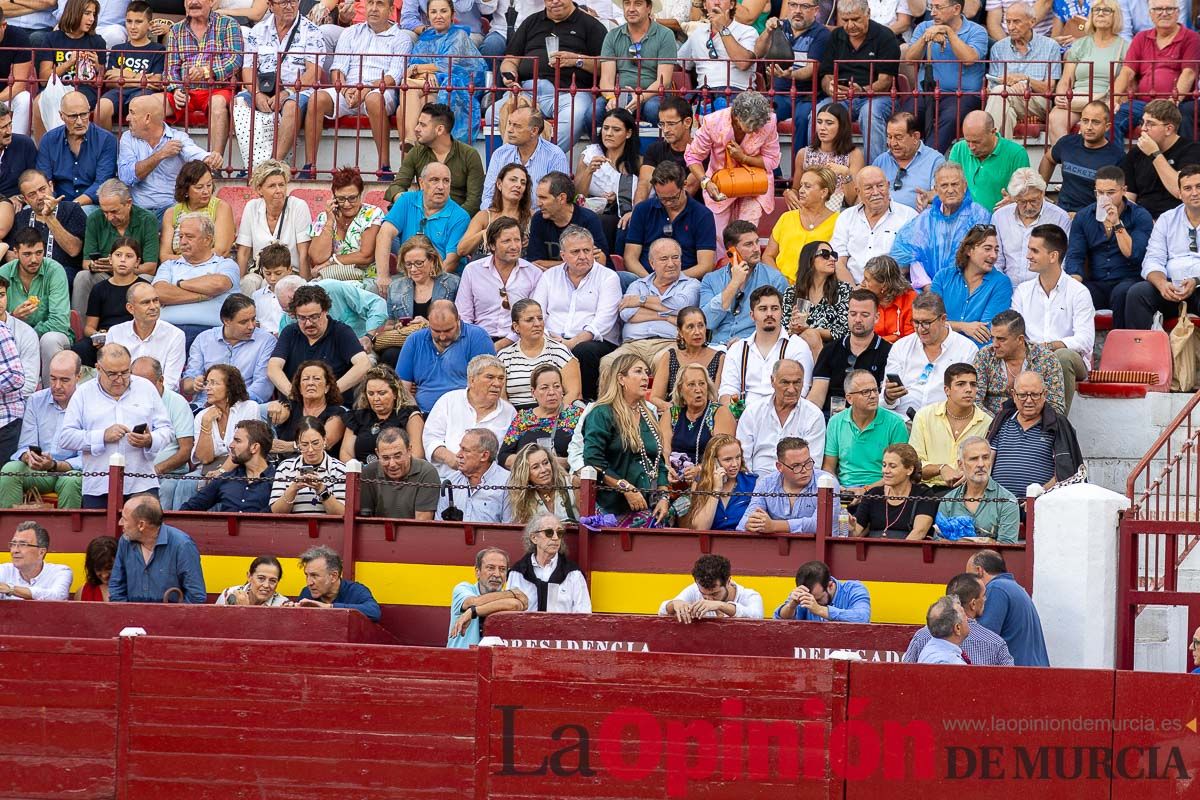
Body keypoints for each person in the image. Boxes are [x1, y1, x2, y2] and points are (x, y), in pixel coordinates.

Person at [300, 0, 408, 178]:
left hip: (380, 90)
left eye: (379, 4)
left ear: (390, 10)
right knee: (317, 98)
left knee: (374, 99)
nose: (373, 8)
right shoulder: (351, 32)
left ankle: (385, 167)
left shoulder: (401, 37)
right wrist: (344, 90)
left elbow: (394, 76)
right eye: (370, 3)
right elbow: (338, 68)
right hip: (348, 89)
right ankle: (308, 166)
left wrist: (364, 90)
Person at [58, 343, 172, 507]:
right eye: (112, 374)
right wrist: (102, 436)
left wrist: (150, 439)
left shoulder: (146, 388)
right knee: (100, 533)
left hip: (141, 484)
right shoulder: (83, 393)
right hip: (99, 486)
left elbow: (167, 430)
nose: (119, 379)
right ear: (98, 368)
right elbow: (66, 438)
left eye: (125, 373)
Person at [491, 0, 606, 152]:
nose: (555, 2)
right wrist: (509, 75)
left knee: (575, 116)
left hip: (569, 93)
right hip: (527, 91)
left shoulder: (591, 25)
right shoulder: (532, 21)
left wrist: (577, 60)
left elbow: (605, 65)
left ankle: (543, 159)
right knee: (494, 112)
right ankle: (518, 162)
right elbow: (510, 59)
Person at [529, 226, 622, 400]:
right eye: (576, 252)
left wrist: (572, 342)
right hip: (553, 338)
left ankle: (584, 402)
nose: (583, 256)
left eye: (587, 250)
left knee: (584, 351)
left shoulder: (608, 277)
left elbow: (604, 320)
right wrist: (549, 337)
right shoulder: (549, 276)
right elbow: (537, 313)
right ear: (563, 255)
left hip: (595, 341)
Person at [1014, 224, 1095, 413]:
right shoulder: (1022, 291)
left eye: (1034, 251)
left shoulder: (1078, 292)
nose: (1028, 256)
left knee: (1062, 357)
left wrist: (1050, 346)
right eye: (1029, 249)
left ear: (1053, 256)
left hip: (1071, 360)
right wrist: (1037, 351)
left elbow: (1085, 340)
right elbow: (1015, 333)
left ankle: (1056, 425)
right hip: (1030, 357)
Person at [583, 352, 670, 521]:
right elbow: (593, 461)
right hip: (612, 507)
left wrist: (664, 498)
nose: (645, 377)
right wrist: (625, 487)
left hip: (649, 505)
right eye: (638, 371)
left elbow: (659, 463)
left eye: (646, 372)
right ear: (621, 379)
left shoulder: (649, 414)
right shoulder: (602, 413)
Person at [236, 0, 324, 164]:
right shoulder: (258, 31)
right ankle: (253, 163)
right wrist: (257, 94)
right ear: (270, 5)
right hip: (263, 89)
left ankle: (273, 164)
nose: (289, 6)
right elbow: (247, 68)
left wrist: (287, 92)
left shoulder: (311, 31)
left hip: (298, 90)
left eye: (293, 1)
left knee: (291, 104)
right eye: (283, 2)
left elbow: (314, 72)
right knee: (239, 102)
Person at [1065, 166, 1153, 329]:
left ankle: (1121, 346)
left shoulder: (1140, 216)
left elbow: (1134, 254)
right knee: (1074, 293)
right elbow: (1075, 255)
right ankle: (1078, 349)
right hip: (1098, 281)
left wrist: (1117, 223)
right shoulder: (1084, 217)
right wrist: (1074, 282)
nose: (1104, 198)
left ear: (1124, 190)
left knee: (1123, 293)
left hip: (1128, 279)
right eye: (1100, 193)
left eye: (1111, 193)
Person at [686, 90, 781, 238]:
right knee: (718, 236)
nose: (758, 130)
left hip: (754, 185)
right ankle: (722, 262)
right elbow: (693, 157)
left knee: (745, 235)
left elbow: (772, 160)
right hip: (720, 184)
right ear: (737, 118)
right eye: (753, 127)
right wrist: (706, 182)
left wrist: (744, 158)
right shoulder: (713, 122)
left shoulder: (769, 121)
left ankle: (743, 262)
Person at [816, 0, 900, 163]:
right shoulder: (836, 36)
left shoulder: (885, 36)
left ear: (867, 13)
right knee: (819, 111)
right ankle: (819, 168)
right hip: (843, 98)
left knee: (870, 113)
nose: (850, 25)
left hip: (876, 97)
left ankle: (875, 170)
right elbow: (825, 74)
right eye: (845, 20)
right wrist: (830, 87)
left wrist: (861, 89)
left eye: (855, 19)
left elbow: (885, 81)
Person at [118, 95, 223, 222]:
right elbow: (126, 177)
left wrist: (210, 158)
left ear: (147, 118)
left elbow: (193, 152)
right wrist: (160, 154)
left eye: (132, 113)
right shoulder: (128, 138)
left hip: (171, 209)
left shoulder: (177, 137)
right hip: (138, 211)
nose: (127, 118)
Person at [0, 350, 83, 509]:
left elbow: (86, 459)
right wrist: (29, 457)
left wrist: (55, 465)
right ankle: (9, 530)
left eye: (64, 380)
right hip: (40, 470)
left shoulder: (88, 403)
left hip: (69, 470)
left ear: (78, 377)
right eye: (53, 379)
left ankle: (66, 533)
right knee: (10, 470)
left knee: (72, 480)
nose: (57, 386)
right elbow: (25, 445)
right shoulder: (36, 400)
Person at [890, 162, 992, 290]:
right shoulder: (925, 219)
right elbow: (913, 255)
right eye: (944, 185)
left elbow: (979, 257)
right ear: (936, 190)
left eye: (955, 184)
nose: (950, 190)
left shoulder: (979, 215)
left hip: (966, 289)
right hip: (926, 291)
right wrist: (928, 286)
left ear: (964, 186)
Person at [904, 0, 988, 153]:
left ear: (956, 9)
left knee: (949, 118)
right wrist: (925, 38)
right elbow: (910, 59)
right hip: (927, 92)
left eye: (938, 7)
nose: (933, 12)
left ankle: (926, 162)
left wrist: (949, 33)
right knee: (905, 119)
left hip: (963, 95)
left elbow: (969, 59)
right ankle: (900, 162)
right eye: (932, 7)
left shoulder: (977, 31)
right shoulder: (924, 27)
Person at [163, 0, 243, 161]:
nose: (193, 2)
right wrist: (175, 89)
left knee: (218, 103)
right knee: (144, 105)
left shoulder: (228, 24)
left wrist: (206, 71)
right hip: (185, 91)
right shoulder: (175, 29)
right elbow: (170, 68)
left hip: (218, 88)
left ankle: (215, 161)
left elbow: (235, 60)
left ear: (212, 1)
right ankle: (154, 161)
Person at [717, 286, 815, 415]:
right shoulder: (737, 349)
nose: (769, 313)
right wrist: (740, 415)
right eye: (763, 309)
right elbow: (727, 391)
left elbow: (800, 392)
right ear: (752, 315)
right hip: (743, 418)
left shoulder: (798, 346)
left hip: (786, 416)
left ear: (782, 312)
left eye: (774, 308)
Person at [1110, 3, 1200, 144]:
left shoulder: (1191, 38)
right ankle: (1116, 164)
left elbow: (1189, 73)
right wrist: (1114, 99)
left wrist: (1171, 103)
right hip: (1143, 103)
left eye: (1169, 8)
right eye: (1158, 9)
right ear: (1150, 14)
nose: (1164, 13)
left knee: (1186, 116)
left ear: (1177, 12)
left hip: (1177, 103)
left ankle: (1185, 164)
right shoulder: (1141, 38)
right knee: (1111, 121)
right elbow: (1127, 71)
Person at [986, 370, 1084, 499]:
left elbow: (1067, 473)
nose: (1028, 400)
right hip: (998, 504)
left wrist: (1039, 495)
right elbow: (986, 461)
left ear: (1044, 394)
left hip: (1042, 504)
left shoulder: (1057, 425)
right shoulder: (1002, 421)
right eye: (1022, 395)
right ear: (1014, 395)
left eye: (1034, 395)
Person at [881, 291, 978, 418]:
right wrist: (889, 397)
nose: (920, 329)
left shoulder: (967, 349)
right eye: (916, 322)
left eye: (926, 322)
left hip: (943, 422)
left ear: (943, 319)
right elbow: (885, 402)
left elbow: (969, 398)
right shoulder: (901, 346)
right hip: (902, 421)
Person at [152, 213, 241, 348]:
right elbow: (158, 293)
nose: (183, 242)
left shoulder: (226, 264)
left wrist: (180, 283)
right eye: (181, 236)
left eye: (189, 236)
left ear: (207, 240)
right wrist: (201, 295)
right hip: (168, 332)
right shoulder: (169, 265)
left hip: (211, 333)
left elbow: (218, 284)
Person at [1127, 163, 1200, 329]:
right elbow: (1152, 259)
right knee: (1137, 293)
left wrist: (1196, 280)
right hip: (1171, 288)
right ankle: (1141, 353)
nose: (1194, 193)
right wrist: (1161, 284)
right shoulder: (1167, 219)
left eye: (1199, 186)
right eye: (1188, 188)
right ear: (1179, 194)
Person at [268, 284, 372, 396]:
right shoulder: (289, 332)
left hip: (333, 405)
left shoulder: (341, 332)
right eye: (302, 318)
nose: (308, 323)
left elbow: (363, 364)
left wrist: (329, 393)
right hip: (293, 403)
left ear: (325, 311)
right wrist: (292, 393)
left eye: (314, 317)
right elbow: (273, 367)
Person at [395, 298, 496, 414]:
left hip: (466, 412)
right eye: (436, 331)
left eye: (448, 330)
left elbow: (487, 383)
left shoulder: (477, 337)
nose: (442, 337)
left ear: (458, 320)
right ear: (428, 322)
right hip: (423, 414)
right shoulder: (414, 341)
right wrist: (414, 413)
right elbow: (403, 389)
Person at [424, 354, 516, 479]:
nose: (497, 383)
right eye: (490, 377)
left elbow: (508, 452)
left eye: (501, 378)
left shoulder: (509, 412)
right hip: (447, 479)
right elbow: (431, 439)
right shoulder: (449, 400)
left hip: (490, 485)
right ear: (472, 380)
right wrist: (451, 459)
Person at [611, 239, 701, 366]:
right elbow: (626, 313)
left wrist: (641, 300)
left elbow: (681, 306)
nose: (671, 264)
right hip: (633, 344)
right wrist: (666, 317)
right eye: (664, 259)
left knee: (667, 362)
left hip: (670, 343)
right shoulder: (637, 285)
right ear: (652, 263)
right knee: (609, 362)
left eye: (675, 257)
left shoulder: (692, 284)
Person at [700, 220, 788, 347]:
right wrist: (734, 283)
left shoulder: (775, 279)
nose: (756, 249)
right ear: (732, 251)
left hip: (754, 347)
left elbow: (780, 324)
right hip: (716, 347)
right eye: (748, 244)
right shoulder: (711, 279)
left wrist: (748, 342)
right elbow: (707, 322)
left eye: (757, 242)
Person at [376, 162, 471, 280]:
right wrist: (383, 277)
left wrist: (421, 283)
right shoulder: (406, 200)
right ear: (422, 183)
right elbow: (385, 234)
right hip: (409, 273)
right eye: (435, 180)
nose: (441, 186)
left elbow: (450, 263)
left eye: (446, 181)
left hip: (443, 276)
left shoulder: (460, 217)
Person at [456, 217, 542, 347]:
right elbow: (464, 316)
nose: (514, 246)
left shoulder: (534, 273)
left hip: (520, 342)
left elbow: (534, 318)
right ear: (492, 245)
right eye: (506, 241)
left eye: (517, 240)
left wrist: (501, 345)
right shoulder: (472, 270)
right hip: (478, 340)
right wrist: (474, 343)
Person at [623, 161, 717, 280]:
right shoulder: (642, 210)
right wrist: (650, 281)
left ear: (684, 185)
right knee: (622, 278)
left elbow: (705, 266)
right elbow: (630, 258)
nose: (667, 203)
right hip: (644, 278)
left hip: (685, 280)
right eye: (662, 198)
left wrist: (672, 280)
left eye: (672, 198)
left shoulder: (702, 215)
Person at [76, 182, 160, 315]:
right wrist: (94, 266)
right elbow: (86, 263)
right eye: (105, 212)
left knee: (147, 279)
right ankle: (80, 328)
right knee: (83, 277)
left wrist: (119, 267)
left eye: (114, 211)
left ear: (128, 203)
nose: (109, 217)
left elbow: (150, 267)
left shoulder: (147, 220)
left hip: (135, 277)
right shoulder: (94, 219)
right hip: (105, 276)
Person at [757, 0, 831, 150]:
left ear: (816, 10)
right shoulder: (779, 27)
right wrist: (767, 31)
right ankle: (771, 168)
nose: (797, 10)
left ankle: (799, 167)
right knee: (761, 114)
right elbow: (758, 52)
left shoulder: (821, 34)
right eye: (793, 5)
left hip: (807, 95)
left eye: (804, 6)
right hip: (779, 94)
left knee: (803, 118)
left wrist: (789, 75)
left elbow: (812, 69)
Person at [982, 2, 1062, 138]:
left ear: (1032, 22)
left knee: (1000, 93)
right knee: (1006, 111)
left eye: (1016, 22)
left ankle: (985, 139)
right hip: (1005, 98)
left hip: (1037, 102)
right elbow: (992, 87)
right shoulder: (998, 48)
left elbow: (1048, 89)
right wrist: (1010, 86)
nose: (1011, 27)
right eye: (1008, 22)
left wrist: (1025, 80)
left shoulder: (1050, 46)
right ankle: (1002, 155)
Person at [908, 362, 993, 490]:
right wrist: (940, 468)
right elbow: (913, 465)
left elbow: (989, 464)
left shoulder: (988, 422)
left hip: (970, 490)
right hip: (927, 490)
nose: (969, 389)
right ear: (947, 390)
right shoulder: (924, 416)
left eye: (973, 384)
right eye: (961, 384)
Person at [808, 289, 892, 417]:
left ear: (876, 318)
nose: (858, 319)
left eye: (864, 315)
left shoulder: (888, 352)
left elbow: (883, 399)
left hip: (869, 418)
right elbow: (817, 396)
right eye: (853, 314)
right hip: (830, 418)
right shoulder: (830, 350)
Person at [736, 357, 826, 477]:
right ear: (772, 381)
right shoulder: (753, 411)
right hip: (755, 481)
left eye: (797, 382)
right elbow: (743, 458)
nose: (791, 389)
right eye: (785, 382)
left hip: (796, 483)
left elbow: (813, 464)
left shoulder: (813, 415)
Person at [823, 369, 909, 493]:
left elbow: (900, 471)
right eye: (865, 392)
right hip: (845, 490)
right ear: (849, 398)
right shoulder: (835, 422)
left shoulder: (895, 423)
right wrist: (838, 488)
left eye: (875, 390)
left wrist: (865, 490)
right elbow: (828, 467)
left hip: (882, 491)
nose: (873, 395)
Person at [392, 104, 485, 217]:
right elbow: (395, 187)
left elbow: (474, 201)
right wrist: (407, 202)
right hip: (422, 216)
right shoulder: (416, 152)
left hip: (457, 221)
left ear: (440, 129)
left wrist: (449, 219)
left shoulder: (469, 155)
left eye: (423, 125)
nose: (416, 129)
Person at [109, 495, 205, 604]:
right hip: (132, 618)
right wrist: (129, 616)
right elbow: (116, 586)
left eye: (125, 519)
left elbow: (196, 596)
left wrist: (170, 618)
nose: (120, 523)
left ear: (141, 525)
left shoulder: (182, 545)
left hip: (172, 619)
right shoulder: (125, 542)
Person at [903, 572, 1015, 665]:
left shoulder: (921, 637)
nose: (985, 599)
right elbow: (1010, 683)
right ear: (973, 604)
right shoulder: (996, 643)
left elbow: (904, 675)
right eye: (983, 595)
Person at [830, 167, 917, 285]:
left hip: (891, 288)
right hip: (851, 288)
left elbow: (910, 261)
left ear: (888, 185)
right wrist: (854, 291)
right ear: (858, 191)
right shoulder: (846, 217)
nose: (876, 192)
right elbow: (838, 261)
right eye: (869, 188)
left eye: (880, 186)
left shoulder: (909, 216)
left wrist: (876, 286)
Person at [182, 294, 274, 405]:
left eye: (253, 319)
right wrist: (195, 384)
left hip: (244, 406)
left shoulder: (266, 341)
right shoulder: (203, 339)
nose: (251, 326)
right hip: (204, 405)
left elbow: (262, 387)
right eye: (244, 322)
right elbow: (187, 385)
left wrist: (227, 405)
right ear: (226, 321)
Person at [597, 0, 677, 127]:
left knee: (653, 109)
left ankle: (656, 147)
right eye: (627, 3)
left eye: (638, 4)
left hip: (653, 95)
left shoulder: (665, 34)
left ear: (649, 8)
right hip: (620, 94)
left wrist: (640, 97)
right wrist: (612, 97)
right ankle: (598, 146)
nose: (631, 8)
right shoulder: (612, 35)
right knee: (594, 111)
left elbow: (664, 81)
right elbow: (606, 78)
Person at [35, 91, 117, 213]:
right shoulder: (48, 140)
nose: (79, 122)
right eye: (73, 116)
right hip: (55, 203)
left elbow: (102, 183)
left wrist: (71, 207)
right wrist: (54, 204)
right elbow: (45, 181)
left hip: (91, 205)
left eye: (84, 114)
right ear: (61, 116)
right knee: (29, 212)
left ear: (90, 112)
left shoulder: (106, 140)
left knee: (84, 213)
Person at [5, 170, 87, 293]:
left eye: (42, 189)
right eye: (32, 194)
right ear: (25, 200)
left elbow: (73, 250)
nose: (40, 196)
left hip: (63, 273)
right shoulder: (21, 217)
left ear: (51, 186)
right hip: (28, 275)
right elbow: (11, 253)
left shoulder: (71, 209)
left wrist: (49, 217)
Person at [932, 223, 1014, 347]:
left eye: (996, 250)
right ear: (969, 250)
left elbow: (985, 332)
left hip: (975, 353)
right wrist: (962, 326)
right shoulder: (943, 277)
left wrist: (947, 325)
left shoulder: (1001, 283)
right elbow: (931, 322)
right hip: (939, 348)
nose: (994, 255)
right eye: (987, 249)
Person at [973, 310, 1066, 415]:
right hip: (991, 424)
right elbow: (974, 401)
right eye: (992, 338)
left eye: (1001, 339)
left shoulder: (1046, 359)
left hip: (1035, 426)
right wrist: (998, 425)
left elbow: (1055, 407)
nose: (995, 344)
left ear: (1020, 339)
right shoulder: (985, 355)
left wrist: (1023, 426)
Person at [235, 161, 312, 286]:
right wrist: (237, 285)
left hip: (291, 272)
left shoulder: (298, 206)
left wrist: (305, 287)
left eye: (281, 185)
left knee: (270, 284)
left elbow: (304, 253)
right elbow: (243, 252)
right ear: (259, 189)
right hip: (261, 271)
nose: (278, 190)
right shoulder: (252, 207)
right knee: (248, 283)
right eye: (272, 186)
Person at [33, 0, 104, 136]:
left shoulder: (97, 41)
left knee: (69, 101)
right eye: (87, 13)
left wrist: (97, 66)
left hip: (84, 90)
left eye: (94, 14)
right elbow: (43, 79)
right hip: (56, 88)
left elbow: (101, 81)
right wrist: (68, 64)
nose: (91, 19)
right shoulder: (51, 39)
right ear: (74, 12)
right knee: (39, 102)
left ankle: (58, 143)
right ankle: (47, 148)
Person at [967, 549, 1049, 666]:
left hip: (1017, 674)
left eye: (968, 576)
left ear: (979, 571)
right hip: (1033, 671)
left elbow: (983, 639)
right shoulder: (1016, 588)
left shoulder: (996, 588)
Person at [1120, 100, 1200, 220]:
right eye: (1143, 122)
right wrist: (1141, 220)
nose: (1143, 129)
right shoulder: (1136, 153)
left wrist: (1155, 154)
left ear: (1168, 129)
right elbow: (1128, 197)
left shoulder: (1191, 151)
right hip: (1144, 221)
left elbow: (1179, 191)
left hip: (1179, 221)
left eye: (1150, 124)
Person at [739, 436, 838, 533]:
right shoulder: (766, 484)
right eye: (796, 466)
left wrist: (774, 526)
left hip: (819, 548)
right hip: (775, 547)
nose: (804, 470)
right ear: (779, 467)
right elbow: (744, 522)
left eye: (808, 463)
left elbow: (820, 524)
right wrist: (750, 524)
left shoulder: (828, 482)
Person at [576, 108, 641, 253]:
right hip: (594, 215)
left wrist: (617, 198)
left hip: (625, 217)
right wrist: (589, 171)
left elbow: (646, 195)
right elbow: (577, 196)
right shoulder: (590, 155)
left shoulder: (638, 163)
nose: (609, 133)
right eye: (605, 128)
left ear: (628, 133)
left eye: (616, 129)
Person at [496, 300, 581, 411]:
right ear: (516, 326)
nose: (537, 324)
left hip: (555, 415)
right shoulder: (504, 356)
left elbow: (574, 393)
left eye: (540, 318)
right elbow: (501, 398)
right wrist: (518, 421)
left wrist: (551, 418)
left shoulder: (560, 351)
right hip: (515, 418)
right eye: (529, 320)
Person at [992, 170, 1071, 289]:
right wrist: (1001, 287)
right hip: (1007, 288)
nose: (1028, 207)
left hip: (1045, 289)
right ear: (1014, 198)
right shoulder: (1000, 217)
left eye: (1034, 200)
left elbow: (1063, 262)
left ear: (1042, 193)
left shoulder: (1060, 217)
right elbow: (996, 260)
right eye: (1023, 201)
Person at [94, 2, 166, 132]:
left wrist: (122, 74)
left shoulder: (158, 50)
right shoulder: (118, 48)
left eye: (138, 22)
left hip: (142, 94)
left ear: (149, 25)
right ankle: (107, 149)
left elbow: (155, 82)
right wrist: (140, 78)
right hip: (119, 92)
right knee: (102, 107)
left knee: (138, 106)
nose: (132, 27)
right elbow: (110, 80)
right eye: (129, 21)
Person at [675, 0, 758, 112]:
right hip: (703, 93)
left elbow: (743, 63)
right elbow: (680, 63)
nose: (717, 2)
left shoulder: (747, 31)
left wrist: (722, 29)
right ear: (704, 5)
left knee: (723, 109)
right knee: (675, 111)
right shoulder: (697, 33)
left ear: (732, 4)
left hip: (737, 92)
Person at [1042, 102, 1126, 213]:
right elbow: (1048, 159)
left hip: (1093, 219)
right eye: (1085, 121)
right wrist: (1041, 188)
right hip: (1062, 213)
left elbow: (1120, 198)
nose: (1089, 127)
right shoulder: (1067, 143)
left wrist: (1081, 218)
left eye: (1096, 122)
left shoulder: (1117, 156)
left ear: (1107, 127)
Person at [479, 107, 568, 210]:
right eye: (510, 124)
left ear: (534, 131)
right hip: (503, 219)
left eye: (517, 126)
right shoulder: (500, 154)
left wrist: (526, 218)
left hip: (540, 219)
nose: (509, 130)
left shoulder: (555, 156)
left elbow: (557, 202)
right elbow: (487, 198)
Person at [104, 283, 186, 392]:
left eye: (156, 300)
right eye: (146, 302)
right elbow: (109, 374)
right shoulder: (115, 332)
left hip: (158, 399)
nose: (153, 307)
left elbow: (170, 383)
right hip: (121, 396)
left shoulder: (175, 335)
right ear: (130, 308)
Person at [180, 419, 275, 512]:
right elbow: (190, 508)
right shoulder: (226, 478)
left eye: (237, 441)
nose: (231, 445)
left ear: (254, 447)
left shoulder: (276, 480)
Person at [763, 167, 838, 284]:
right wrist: (780, 281)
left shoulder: (839, 222)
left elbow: (838, 262)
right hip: (781, 286)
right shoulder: (786, 217)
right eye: (801, 185)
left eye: (808, 186)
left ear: (823, 192)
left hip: (819, 288)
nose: (801, 190)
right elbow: (768, 256)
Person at [938, 437, 1021, 542]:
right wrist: (985, 541)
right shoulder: (948, 501)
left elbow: (1007, 547)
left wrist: (961, 540)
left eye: (985, 457)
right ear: (960, 465)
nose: (981, 464)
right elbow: (940, 543)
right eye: (974, 459)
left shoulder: (1008, 501)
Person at [498, 364, 581, 468]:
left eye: (556, 386)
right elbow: (503, 457)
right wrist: (534, 462)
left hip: (565, 480)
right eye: (544, 388)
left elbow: (588, 457)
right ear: (533, 392)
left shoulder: (578, 416)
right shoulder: (523, 418)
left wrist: (562, 462)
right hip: (527, 481)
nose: (551, 392)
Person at [663, 362, 736, 478]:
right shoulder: (671, 414)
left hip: (708, 478)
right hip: (675, 477)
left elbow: (723, 455)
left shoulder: (719, 413)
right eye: (691, 384)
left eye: (702, 383)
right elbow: (664, 450)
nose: (698, 390)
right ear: (681, 389)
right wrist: (668, 470)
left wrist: (700, 469)